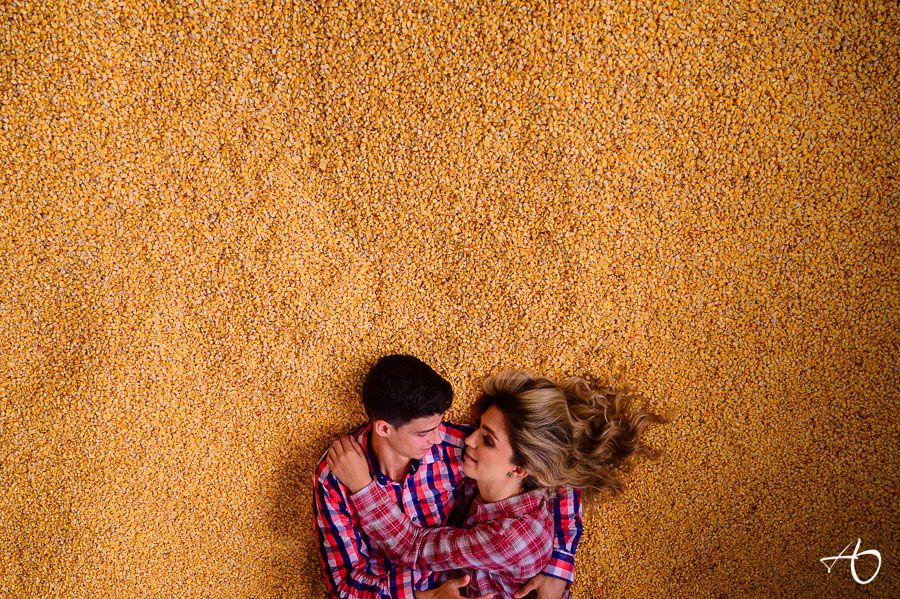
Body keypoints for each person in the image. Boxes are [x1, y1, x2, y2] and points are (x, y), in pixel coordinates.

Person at [327, 369, 664, 598]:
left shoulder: (510, 537)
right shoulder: (489, 471)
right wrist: (560, 566)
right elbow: (563, 468)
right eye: (477, 427)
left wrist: (363, 488)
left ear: (521, 468)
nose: (465, 439)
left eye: (486, 439)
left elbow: (411, 546)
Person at [313, 356, 582, 598]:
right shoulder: (336, 474)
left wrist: (559, 565)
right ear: (384, 428)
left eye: (440, 424)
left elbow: (558, 467)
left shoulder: (461, 452)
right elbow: (347, 587)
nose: (441, 436)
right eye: (425, 432)